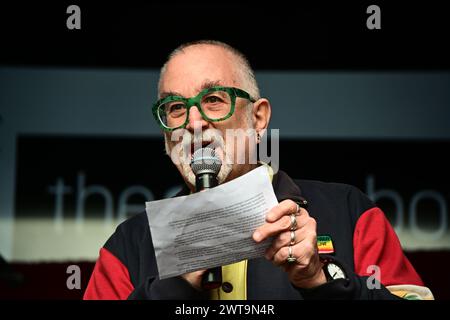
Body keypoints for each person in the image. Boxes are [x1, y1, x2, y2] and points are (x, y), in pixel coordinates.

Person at [84, 40, 433, 300]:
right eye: (175, 107)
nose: (193, 122)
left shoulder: (350, 211)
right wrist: (170, 288)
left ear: (258, 118)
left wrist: (321, 279)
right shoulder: (127, 246)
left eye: (214, 100)